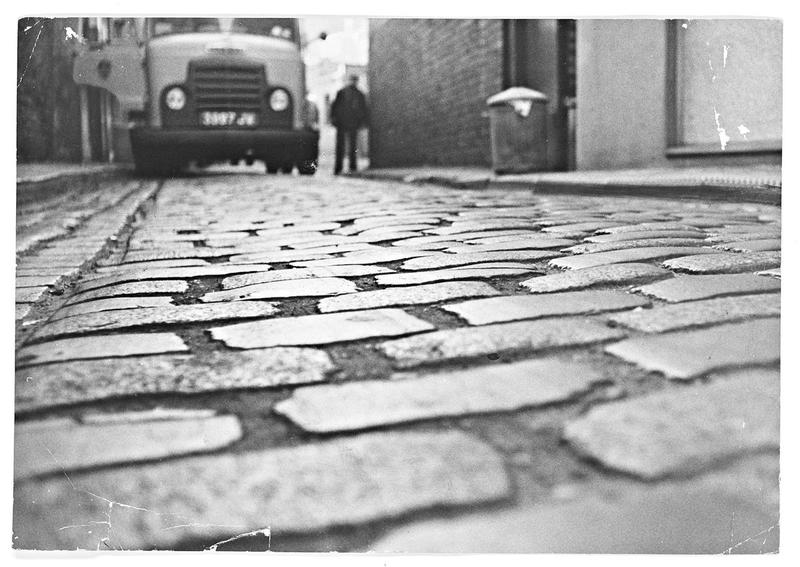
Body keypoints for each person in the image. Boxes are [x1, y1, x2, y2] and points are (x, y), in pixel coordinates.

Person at [330, 75, 369, 175]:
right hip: (343, 123)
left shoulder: (358, 94)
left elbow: (363, 109)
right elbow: (334, 107)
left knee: (351, 146)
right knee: (344, 146)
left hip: (350, 123)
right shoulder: (343, 93)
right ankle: (342, 168)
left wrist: (362, 121)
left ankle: (350, 167)